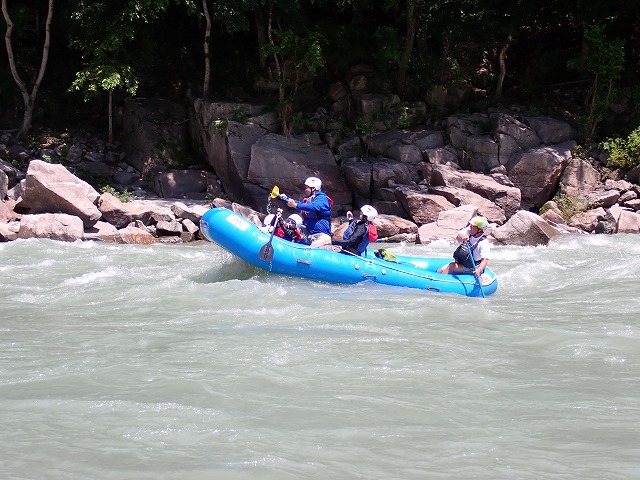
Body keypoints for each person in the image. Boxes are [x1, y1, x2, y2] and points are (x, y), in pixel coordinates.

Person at [281, 176, 333, 245]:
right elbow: (301, 204)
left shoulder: (322, 198)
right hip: (308, 232)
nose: (305, 190)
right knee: (293, 221)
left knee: (324, 240)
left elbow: (314, 206)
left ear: (313, 188)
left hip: (321, 235)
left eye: (306, 188)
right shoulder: (310, 199)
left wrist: (295, 205)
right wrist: (286, 199)